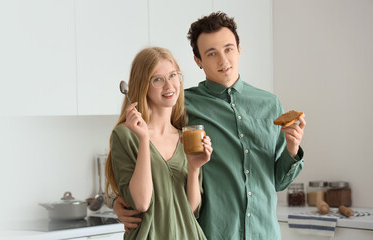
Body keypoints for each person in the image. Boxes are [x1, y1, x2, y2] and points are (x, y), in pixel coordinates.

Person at [112, 12, 307, 240]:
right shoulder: (182, 104)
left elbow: (279, 182)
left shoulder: (269, 104)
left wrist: (292, 150)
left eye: (228, 49)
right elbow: (153, 151)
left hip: (265, 233)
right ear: (198, 60)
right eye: (211, 53)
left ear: (239, 49)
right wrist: (118, 201)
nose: (223, 60)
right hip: (214, 233)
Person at [105, 46, 212, 239]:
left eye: (172, 75)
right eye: (158, 80)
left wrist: (194, 167)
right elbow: (142, 202)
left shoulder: (185, 136)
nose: (169, 85)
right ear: (143, 85)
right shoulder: (125, 135)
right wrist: (144, 139)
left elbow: (191, 210)